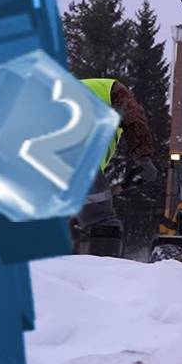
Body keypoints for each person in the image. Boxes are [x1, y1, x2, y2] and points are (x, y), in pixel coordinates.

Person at [71, 78, 157, 256]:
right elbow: (134, 121)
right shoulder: (111, 91)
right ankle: (104, 276)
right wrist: (144, 159)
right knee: (101, 221)